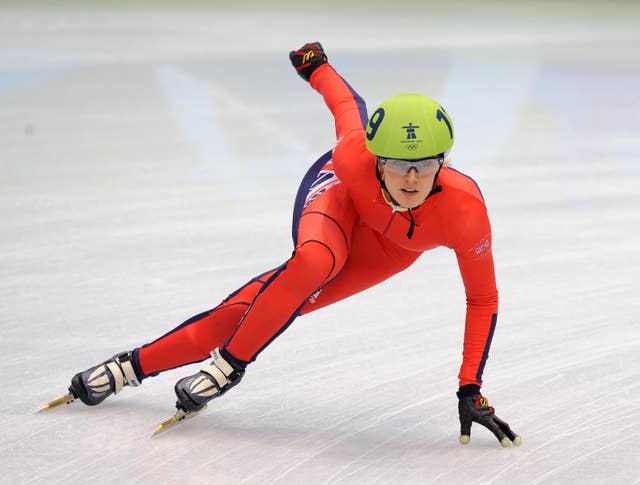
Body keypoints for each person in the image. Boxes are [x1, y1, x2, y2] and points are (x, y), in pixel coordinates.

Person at [51, 42, 520, 446]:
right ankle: (229, 367)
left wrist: (468, 388)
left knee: (251, 313)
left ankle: (129, 367)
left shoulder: (465, 212)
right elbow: (347, 107)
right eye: (397, 162)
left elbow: (483, 298)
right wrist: (316, 66)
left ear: (444, 161)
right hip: (338, 199)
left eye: (425, 163)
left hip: (391, 250)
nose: (411, 177)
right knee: (315, 261)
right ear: (377, 158)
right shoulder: (354, 156)